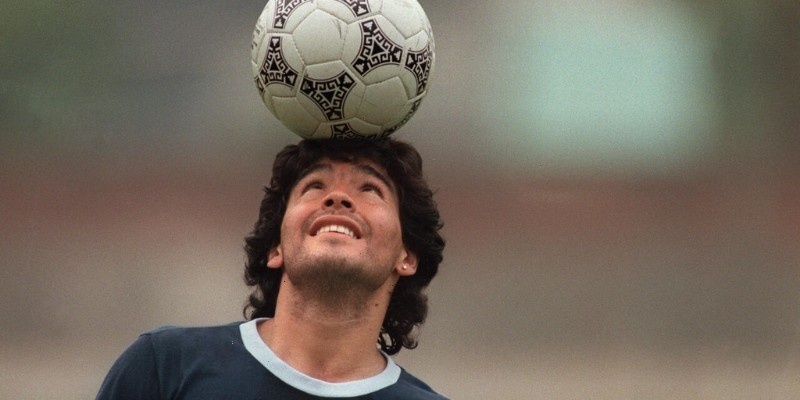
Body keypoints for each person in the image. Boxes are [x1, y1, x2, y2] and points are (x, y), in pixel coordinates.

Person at [96, 138, 447, 399]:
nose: (337, 197)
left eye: (370, 189)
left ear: (407, 256)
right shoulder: (164, 367)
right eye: (314, 186)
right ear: (275, 247)